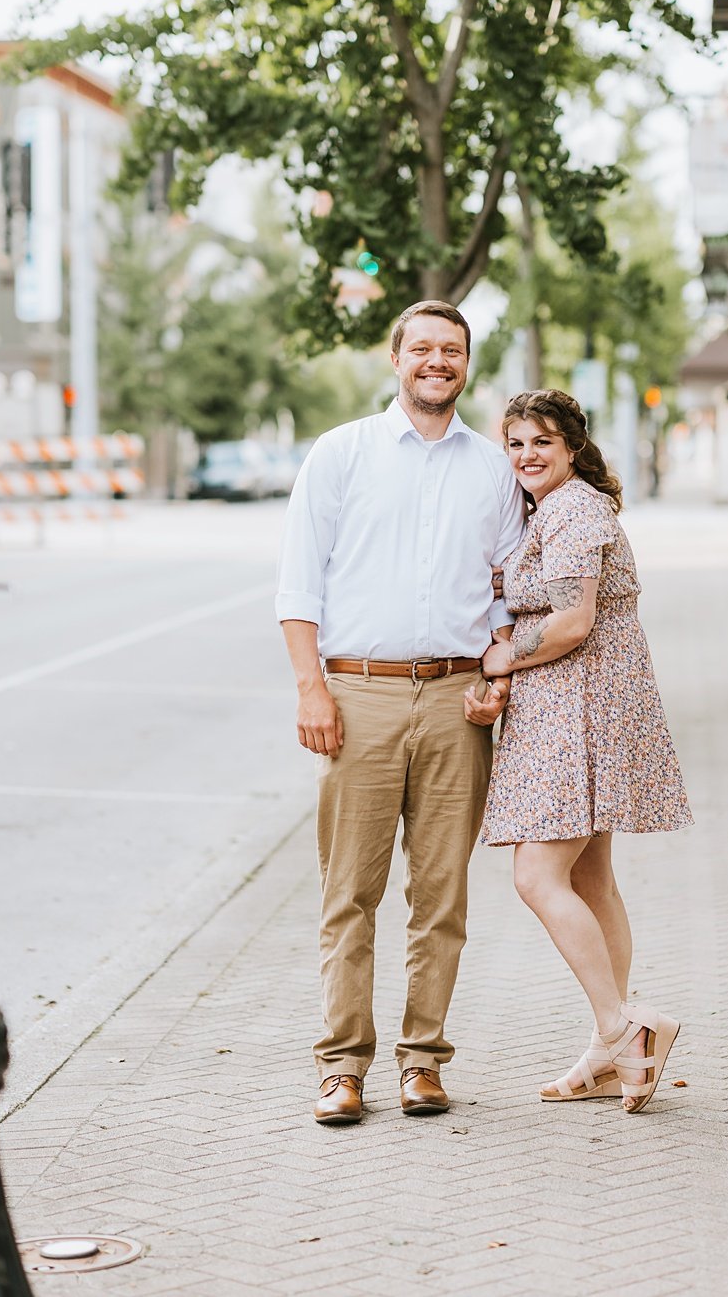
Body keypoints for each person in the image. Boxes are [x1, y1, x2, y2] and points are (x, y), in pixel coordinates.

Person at [276, 300, 525, 1126]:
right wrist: (313, 687)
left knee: (441, 895)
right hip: (360, 694)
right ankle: (342, 1067)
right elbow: (299, 583)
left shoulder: (492, 468)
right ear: (395, 358)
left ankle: (424, 1062)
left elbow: (506, 592)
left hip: (459, 702)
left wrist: (499, 674)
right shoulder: (341, 454)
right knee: (350, 891)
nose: (436, 361)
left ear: (465, 363)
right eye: (421, 347)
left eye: (451, 350)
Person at [466, 388, 692, 1114]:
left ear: (572, 448)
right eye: (515, 443)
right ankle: (610, 1049)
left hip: (578, 704)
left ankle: (624, 1028)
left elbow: (571, 620)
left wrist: (501, 658)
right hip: (578, 700)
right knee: (592, 879)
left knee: (536, 874)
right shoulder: (556, 508)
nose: (527, 455)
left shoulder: (573, 509)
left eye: (542, 442)